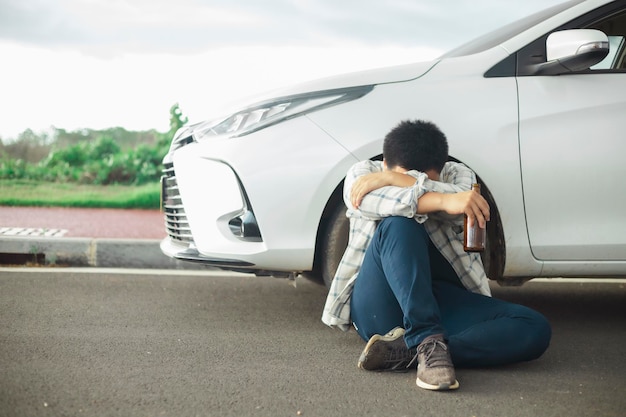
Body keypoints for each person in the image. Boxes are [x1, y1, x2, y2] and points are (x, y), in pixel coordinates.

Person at [322, 120, 551, 391]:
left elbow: (464, 200)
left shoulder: (460, 175)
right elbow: (377, 202)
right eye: (395, 175)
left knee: (534, 327)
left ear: (442, 171)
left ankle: (413, 351)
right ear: (383, 164)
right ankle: (427, 339)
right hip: (381, 306)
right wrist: (442, 198)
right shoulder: (362, 173)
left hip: (442, 299)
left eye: (431, 180)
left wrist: (397, 179)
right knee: (398, 222)